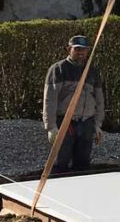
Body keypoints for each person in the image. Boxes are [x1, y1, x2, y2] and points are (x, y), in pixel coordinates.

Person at [43, 35, 105, 174]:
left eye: (84, 50)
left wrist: (97, 124)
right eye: (77, 49)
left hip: (86, 121)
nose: (81, 53)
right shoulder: (58, 69)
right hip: (65, 121)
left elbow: (99, 99)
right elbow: (50, 99)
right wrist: (51, 127)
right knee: (60, 162)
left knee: (83, 163)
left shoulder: (92, 71)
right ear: (69, 49)